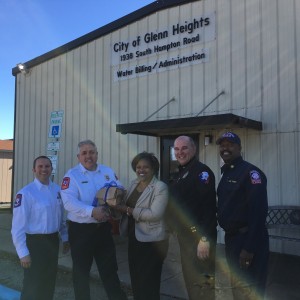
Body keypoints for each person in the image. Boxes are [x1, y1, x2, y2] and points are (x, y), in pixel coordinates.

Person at [60, 140, 127, 300]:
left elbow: (120, 189)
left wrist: (117, 202)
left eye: (91, 152)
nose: (88, 156)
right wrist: (92, 211)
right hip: (81, 231)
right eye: (84, 153)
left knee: (110, 270)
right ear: (78, 156)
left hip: (104, 229)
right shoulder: (71, 176)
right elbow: (68, 202)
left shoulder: (107, 171)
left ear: (97, 154)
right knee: (81, 273)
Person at [216, 131, 269, 300]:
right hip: (232, 240)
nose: (225, 148)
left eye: (230, 144)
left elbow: (258, 213)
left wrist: (249, 248)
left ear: (239, 147)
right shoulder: (227, 172)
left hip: (248, 240)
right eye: (222, 145)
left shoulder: (251, 173)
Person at [111, 152, 169, 300]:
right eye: (138, 167)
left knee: (149, 281)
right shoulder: (133, 183)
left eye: (146, 167)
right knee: (136, 277)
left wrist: (127, 210)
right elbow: (123, 203)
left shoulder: (160, 187)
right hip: (134, 238)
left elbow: (155, 214)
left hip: (153, 242)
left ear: (154, 169)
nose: (141, 170)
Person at [166, 135, 217, 300]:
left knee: (204, 283)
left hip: (198, 239)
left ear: (194, 149)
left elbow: (208, 208)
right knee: (191, 281)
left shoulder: (201, 172)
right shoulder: (182, 173)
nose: (180, 152)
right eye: (177, 149)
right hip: (186, 238)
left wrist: (204, 238)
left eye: (184, 148)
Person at [11, 156, 69, 300]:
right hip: (34, 243)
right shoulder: (26, 193)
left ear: (51, 169)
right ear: (34, 170)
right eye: (40, 166)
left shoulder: (57, 190)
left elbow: (60, 218)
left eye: (47, 166)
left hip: (52, 241)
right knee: (33, 283)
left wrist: (65, 238)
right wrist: (23, 253)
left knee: (49, 281)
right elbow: (17, 227)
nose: (44, 169)